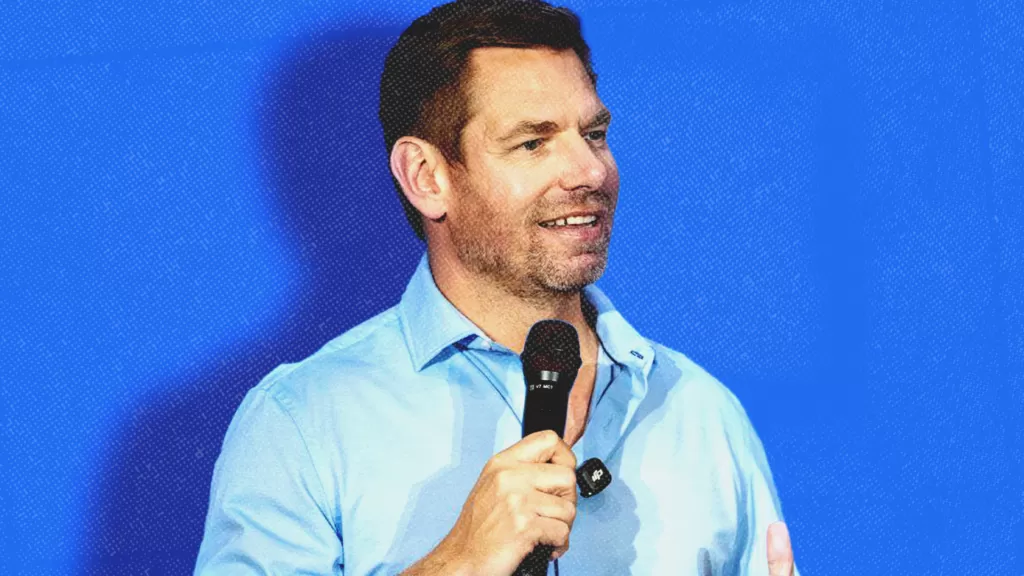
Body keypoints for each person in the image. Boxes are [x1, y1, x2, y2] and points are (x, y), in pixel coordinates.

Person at [194, 0, 801, 574]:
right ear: (426, 176)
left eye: (593, 135)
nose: (590, 171)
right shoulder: (303, 424)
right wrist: (458, 562)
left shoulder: (702, 414)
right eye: (532, 143)